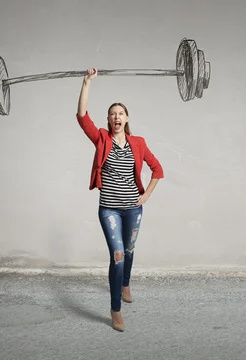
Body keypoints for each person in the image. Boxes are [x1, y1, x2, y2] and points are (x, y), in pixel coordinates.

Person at [76, 67, 164, 332]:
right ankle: (116, 310)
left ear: (126, 119)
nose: (117, 117)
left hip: (133, 210)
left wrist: (146, 195)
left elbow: (158, 169)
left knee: (129, 251)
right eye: (112, 114)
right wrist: (86, 83)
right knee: (117, 255)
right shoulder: (101, 138)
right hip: (110, 210)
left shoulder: (138, 142)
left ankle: (125, 283)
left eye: (121, 113)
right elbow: (82, 117)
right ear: (108, 119)